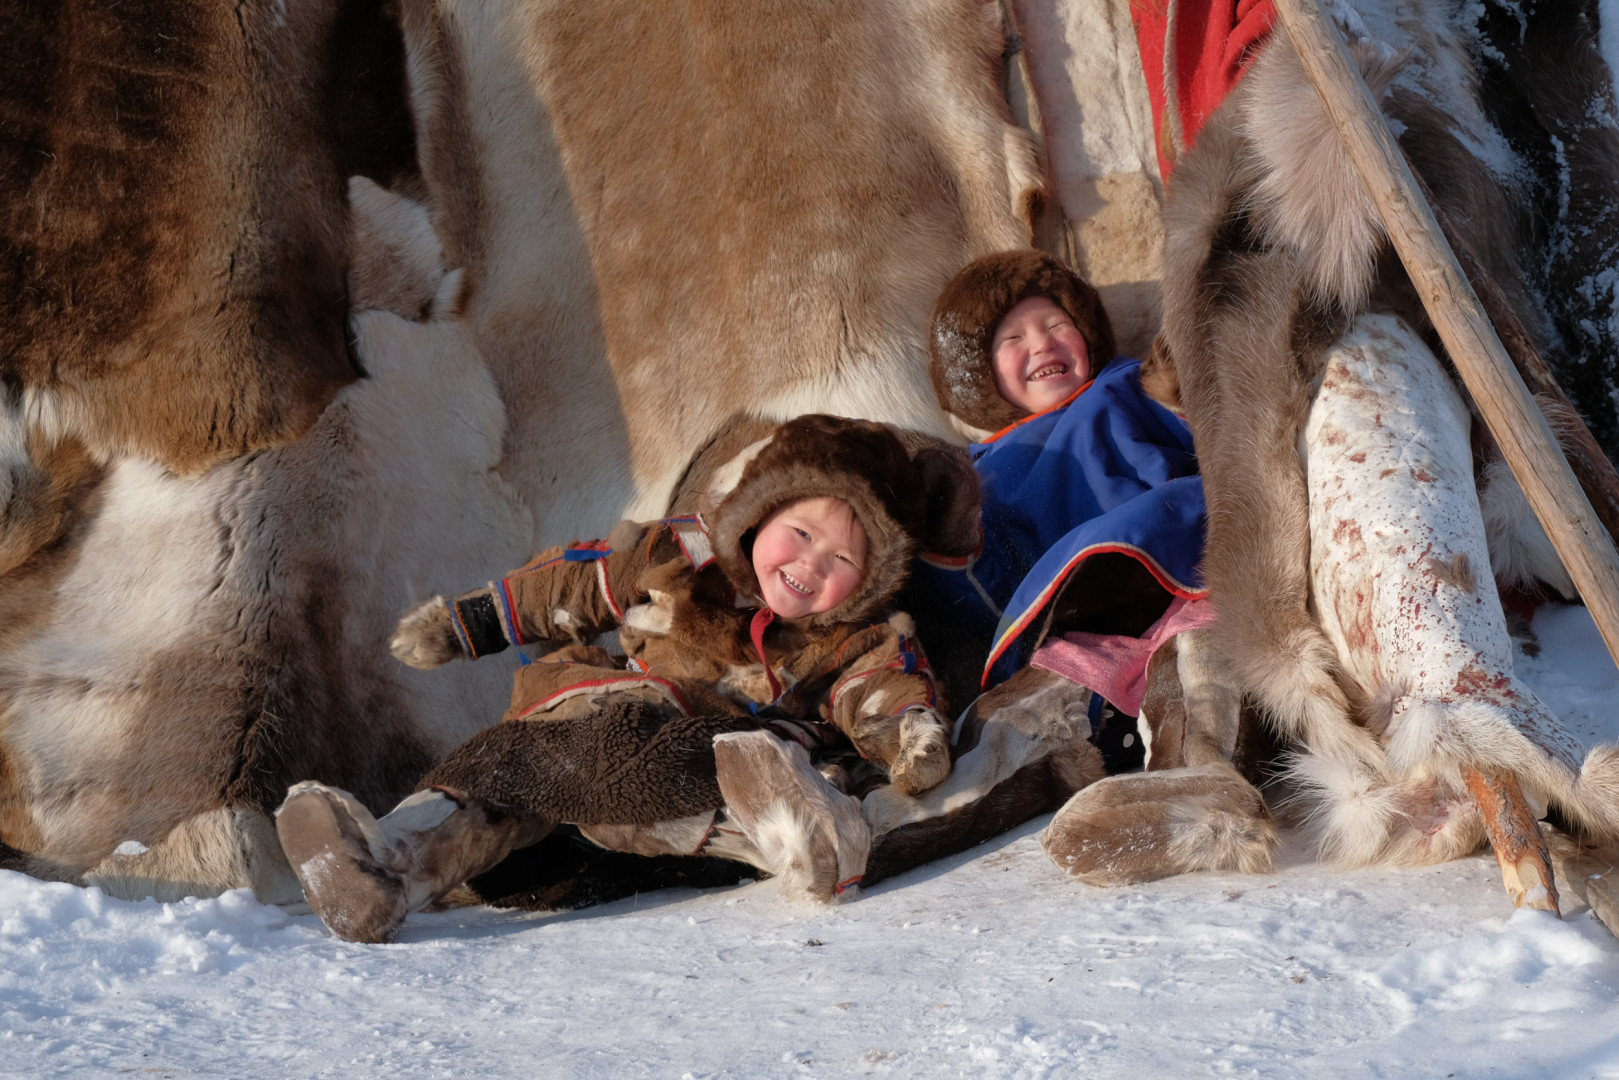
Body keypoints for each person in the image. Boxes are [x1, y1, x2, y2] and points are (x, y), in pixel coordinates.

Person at [276, 414, 975, 942]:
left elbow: (879, 686)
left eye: (843, 560)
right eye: (800, 532)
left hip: (720, 760)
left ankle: (800, 832)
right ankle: (381, 868)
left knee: (682, 757)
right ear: (760, 515)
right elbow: (575, 584)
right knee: (502, 770)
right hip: (593, 787)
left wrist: (910, 735)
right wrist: (472, 622)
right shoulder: (678, 557)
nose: (811, 563)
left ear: (871, 581)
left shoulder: (851, 637)